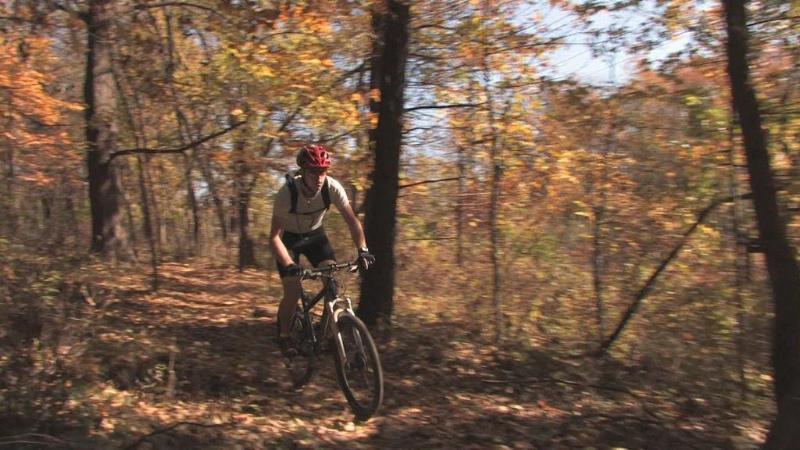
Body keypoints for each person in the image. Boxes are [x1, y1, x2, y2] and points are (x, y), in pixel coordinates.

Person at [269, 144, 374, 357]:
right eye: (313, 171)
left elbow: (352, 222)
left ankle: (327, 334)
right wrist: (289, 265)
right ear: (303, 171)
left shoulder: (332, 188)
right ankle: (284, 335)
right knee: (292, 291)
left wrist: (362, 249)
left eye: (323, 171)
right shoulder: (286, 193)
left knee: (331, 284)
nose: (319, 177)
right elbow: (273, 237)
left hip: (316, 237)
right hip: (288, 240)